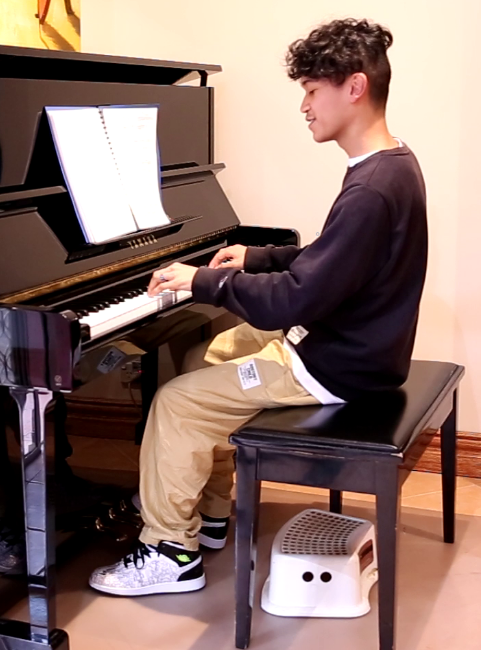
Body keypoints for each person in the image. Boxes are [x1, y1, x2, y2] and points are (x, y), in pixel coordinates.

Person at [89, 17, 428, 596]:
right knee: (203, 355)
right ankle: (212, 513)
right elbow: (333, 260)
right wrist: (257, 256)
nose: (304, 106)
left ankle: (170, 552)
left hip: (334, 366)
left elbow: (295, 299)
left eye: (312, 90)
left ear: (354, 87)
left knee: (174, 402)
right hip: (354, 347)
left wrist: (203, 282)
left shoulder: (370, 190)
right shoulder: (391, 164)